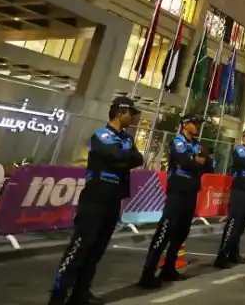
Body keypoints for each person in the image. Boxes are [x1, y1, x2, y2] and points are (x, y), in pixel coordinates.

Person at [49, 97, 143, 305]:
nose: (133, 118)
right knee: (80, 247)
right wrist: (124, 158)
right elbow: (115, 156)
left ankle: (80, 293)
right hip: (95, 197)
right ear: (120, 112)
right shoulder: (101, 135)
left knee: (97, 249)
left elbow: (138, 159)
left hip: (114, 199)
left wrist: (123, 158)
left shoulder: (127, 139)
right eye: (130, 113)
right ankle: (58, 296)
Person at [139, 114, 212, 289]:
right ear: (185, 125)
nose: (197, 126)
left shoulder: (198, 145)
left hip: (191, 192)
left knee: (181, 232)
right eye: (194, 123)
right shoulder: (178, 142)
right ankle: (148, 273)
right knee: (165, 231)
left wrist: (196, 160)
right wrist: (195, 160)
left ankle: (169, 268)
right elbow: (184, 161)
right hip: (177, 193)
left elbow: (208, 165)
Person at [214, 128, 245, 268]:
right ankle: (222, 257)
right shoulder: (240, 150)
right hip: (240, 189)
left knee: (242, 224)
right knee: (234, 222)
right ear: (244, 137)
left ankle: (233, 253)